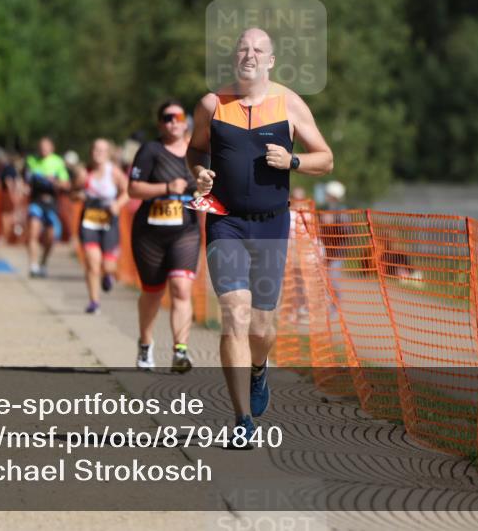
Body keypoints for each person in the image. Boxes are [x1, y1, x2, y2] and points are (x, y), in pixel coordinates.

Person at [188, 27, 334, 442]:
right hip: (225, 221)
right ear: (233, 58)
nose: (249, 55)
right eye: (242, 49)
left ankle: (258, 369)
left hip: (271, 224)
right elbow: (194, 150)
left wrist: (293, 160)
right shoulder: (213, 104)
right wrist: (199, 172)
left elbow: (326, 159)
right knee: (233, 315)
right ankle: (241, 423)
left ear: (270, 60)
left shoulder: (288, 103)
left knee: (262, 328)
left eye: (258, 50)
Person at [128, 101, 201, 372]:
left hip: (186, 230)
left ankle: (180, 351)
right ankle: (145, 344)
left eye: (178, 117)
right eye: (167, 118)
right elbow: (133, 189)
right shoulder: (150, 150)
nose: (173, 122)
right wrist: (166, 187)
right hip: (150, 232)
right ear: (160, 123)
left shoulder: (197, 152)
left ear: (186, 121)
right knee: (152, 291)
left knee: (181, 287)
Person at [74, 139, 128, 314]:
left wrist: (117, 204)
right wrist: (79, 195)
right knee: (92, 262)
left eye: (102, 150)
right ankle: (94, 302)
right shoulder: (84, 172)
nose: (98, 153)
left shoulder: (114, 172)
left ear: (108, 153)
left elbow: (128, 191)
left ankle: (108, 276)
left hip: (109, 221)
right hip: (89, 220)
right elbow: (71, 193)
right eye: (95, 149)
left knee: (108, 265)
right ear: (91, 152)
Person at [24, 137, 70, 278]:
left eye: (46, 147)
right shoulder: (31, 160)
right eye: (41, 147)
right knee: (33, 232)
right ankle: (33, 265)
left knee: (50, 236)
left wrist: (54, 181)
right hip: (36, 201)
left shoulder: (57, 162)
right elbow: (26, 178)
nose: (43, 149)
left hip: (51, 204)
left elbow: (66, 184)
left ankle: (43, 262)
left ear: (52, 148)